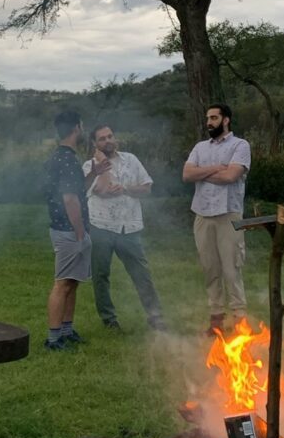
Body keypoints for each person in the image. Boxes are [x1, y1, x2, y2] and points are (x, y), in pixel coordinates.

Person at [83, 123, 166, 332]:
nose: (108, 141)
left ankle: (155, 317)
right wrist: (102, 165)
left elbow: (146, 188)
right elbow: (102, 190)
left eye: (110, 136)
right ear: (95, 143)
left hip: (129, 227)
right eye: (102, 138)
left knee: (141, 274)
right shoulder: (89, 167)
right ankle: (109, 320)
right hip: (101, 226)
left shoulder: (131, 160)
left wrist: (126, 188)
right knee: (101, 275)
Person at [182, 103, 252, 334]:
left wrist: (203, 174)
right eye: (208, 118)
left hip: (229, 216)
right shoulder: (200, 147)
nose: (209, 122)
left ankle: (240, 321)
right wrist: (215, 169)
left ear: (226, 120)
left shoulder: (240, 145)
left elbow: (231, 176)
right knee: (210, 269)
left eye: (214, 117)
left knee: (231, 269)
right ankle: (216, 321)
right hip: (202, 215)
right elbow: (187, 174)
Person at [41, 109, 92, 351]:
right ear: (76, 128)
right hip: (68, 230)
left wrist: (93, 174)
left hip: (63, 228)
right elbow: (70, 199)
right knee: (62, 283)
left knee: (72, 281)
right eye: (81, 125)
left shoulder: (59, 157)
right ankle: (53, 339)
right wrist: (80, 233)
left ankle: (67, 330)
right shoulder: (68, 160)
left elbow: (76, 188)